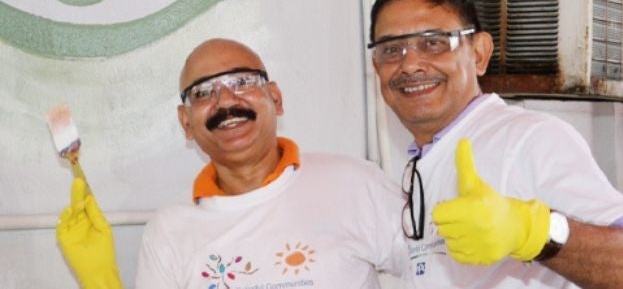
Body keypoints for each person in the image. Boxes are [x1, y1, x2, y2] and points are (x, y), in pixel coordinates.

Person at [367, 0, 623, 288]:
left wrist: (534, 232)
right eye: (391, 49)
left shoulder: (529, 139)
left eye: (433, 43)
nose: (410, 64)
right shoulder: (424, 163)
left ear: (479, 53)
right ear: (376, 66)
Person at [57, 38, 408, 288]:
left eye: (241, 81)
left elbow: (440, 270)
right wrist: (101, 282)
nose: (225, 100)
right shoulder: (169, 230)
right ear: (186, 123)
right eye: (203, 92)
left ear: (275, 98)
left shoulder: (352, 183)